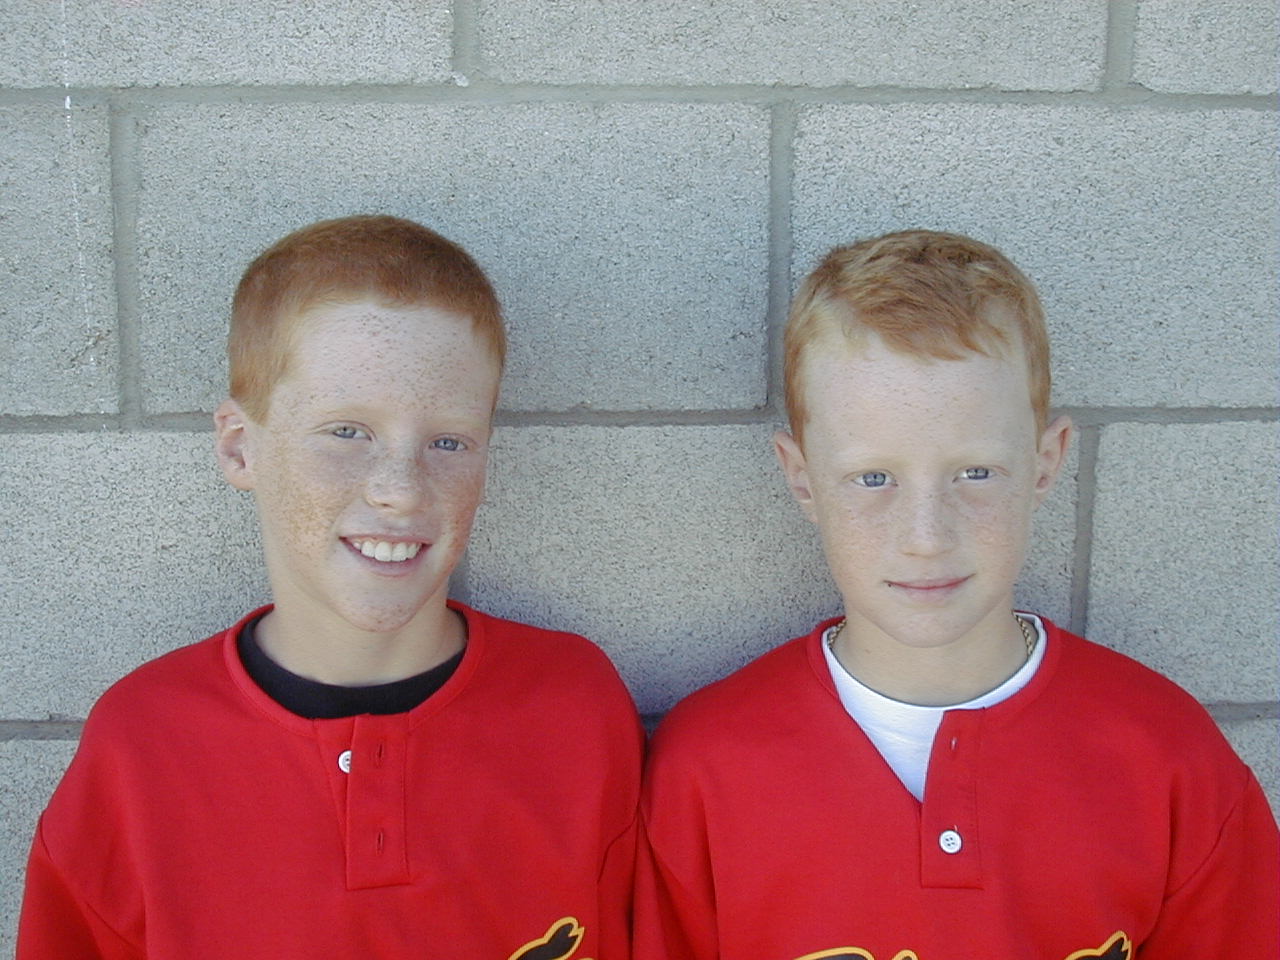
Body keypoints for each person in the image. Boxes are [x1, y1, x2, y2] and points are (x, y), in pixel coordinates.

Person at [633, 229, 1279, 959]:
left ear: (1046, 462)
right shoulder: (706, 768)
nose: (926, 536)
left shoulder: (1169, 758)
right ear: (801, 477)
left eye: (975, 473)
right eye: (873, 478)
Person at [18, 215, 643, 959]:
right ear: (240, 448)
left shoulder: (575, 706)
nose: (400, 489)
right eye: (347, 431)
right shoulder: (140, 746)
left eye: (448, 440)